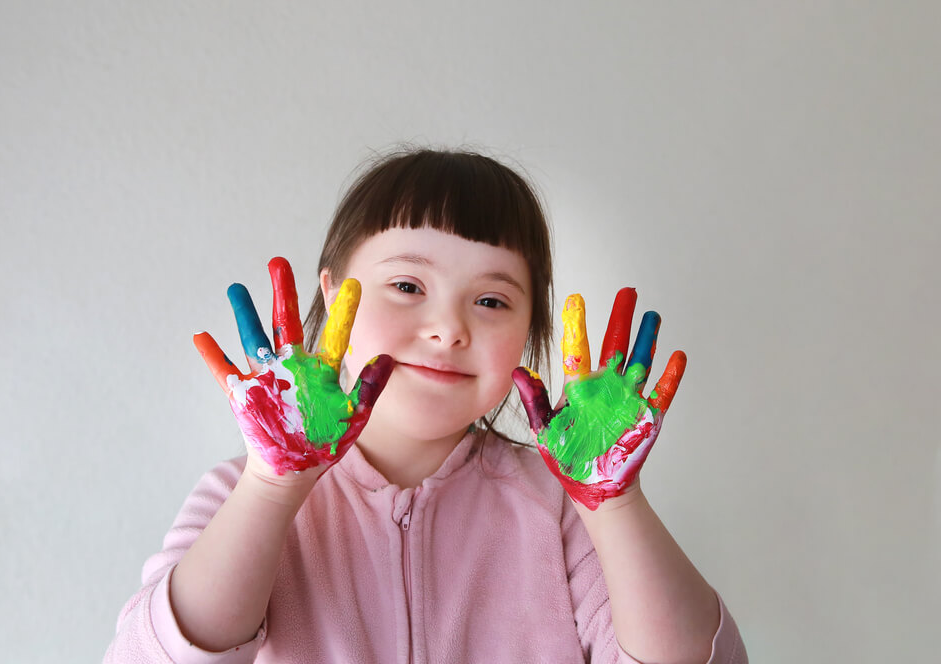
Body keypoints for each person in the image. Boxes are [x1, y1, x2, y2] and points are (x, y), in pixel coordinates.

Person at [105, 148, 748, 663]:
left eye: (492, 300)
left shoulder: (556, 508)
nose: (448, 329)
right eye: (407, 285)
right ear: (333, 299)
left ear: (530, 331)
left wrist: (615, 506)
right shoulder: (238, 491)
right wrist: (272, 490)